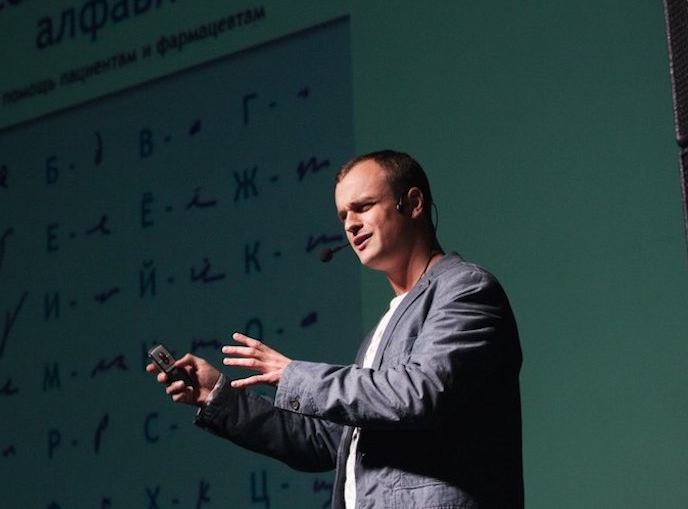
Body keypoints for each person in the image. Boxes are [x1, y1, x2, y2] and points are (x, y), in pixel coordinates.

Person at [146, 150, 523, 508]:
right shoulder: (380, 332)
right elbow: (326, 442)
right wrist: (218, 397)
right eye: (343, 215)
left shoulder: (466, 289)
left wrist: (293, 375)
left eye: (363, 207)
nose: (350, 225)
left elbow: (419, 391)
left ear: (412, 203)